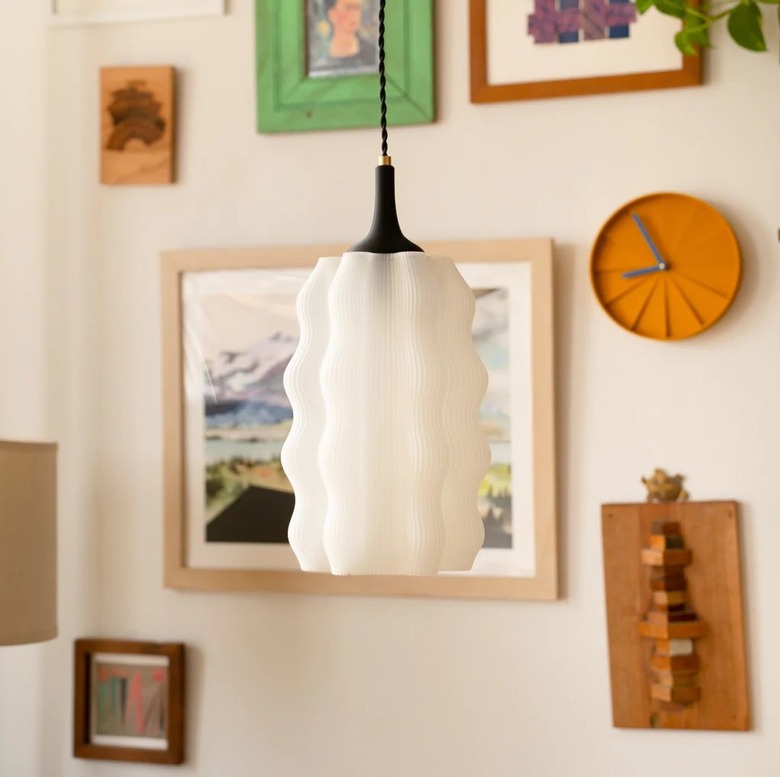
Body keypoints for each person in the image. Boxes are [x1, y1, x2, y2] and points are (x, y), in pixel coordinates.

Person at [312, 0, 377, 74]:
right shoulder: (319, 67)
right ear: (332, 14)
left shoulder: (374, 54)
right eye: (348, 9)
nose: (354, 15)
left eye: (357, 8)